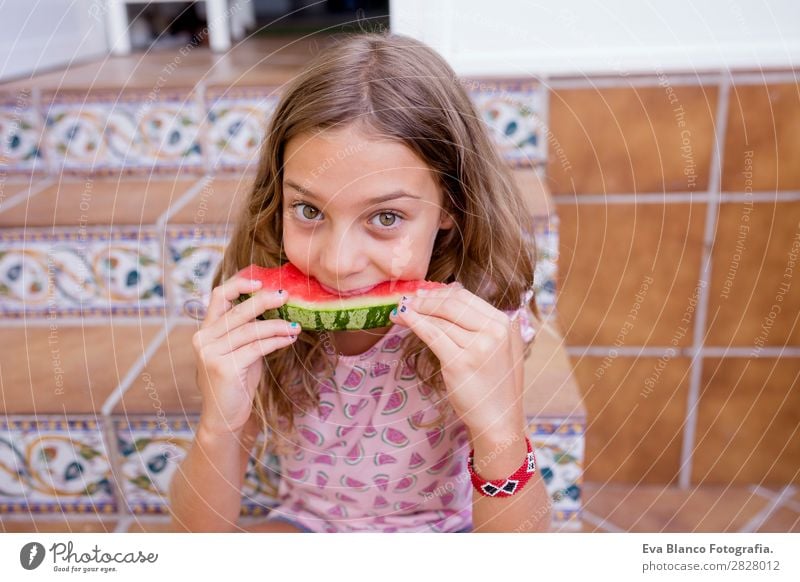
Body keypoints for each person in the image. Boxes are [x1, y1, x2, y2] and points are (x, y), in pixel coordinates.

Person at [168, 31, 552, 533]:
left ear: (450, 208)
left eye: (386, 217)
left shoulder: (482, 321)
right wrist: (219, 425)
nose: (339, 262)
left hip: (445, 528)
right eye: (308, 210)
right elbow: (193, 540)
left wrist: (500, 430)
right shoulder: (260, 307)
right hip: (311, 524)